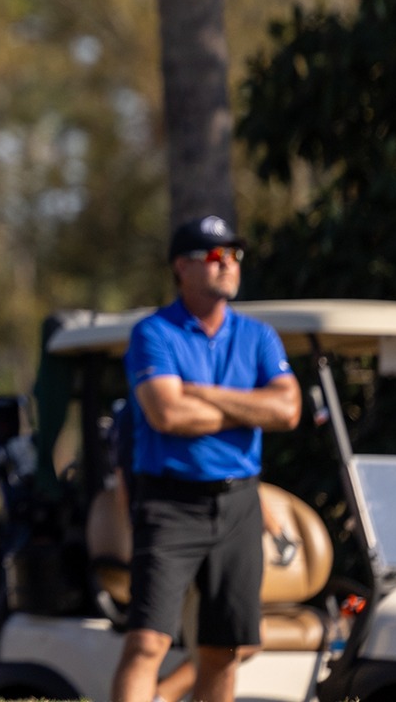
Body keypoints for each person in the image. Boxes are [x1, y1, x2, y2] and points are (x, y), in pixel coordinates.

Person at [109, 215, 300, 702]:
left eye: (234, 255)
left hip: (238, 504)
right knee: (147, 641)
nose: (228, 264)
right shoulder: (154, 332)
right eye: (215, 256)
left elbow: (287, 410)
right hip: (170, 503)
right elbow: (168, 414)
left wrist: (203, 393)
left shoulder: (258, 336)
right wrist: (248, 407)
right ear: (182, 267)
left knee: (223, 650)